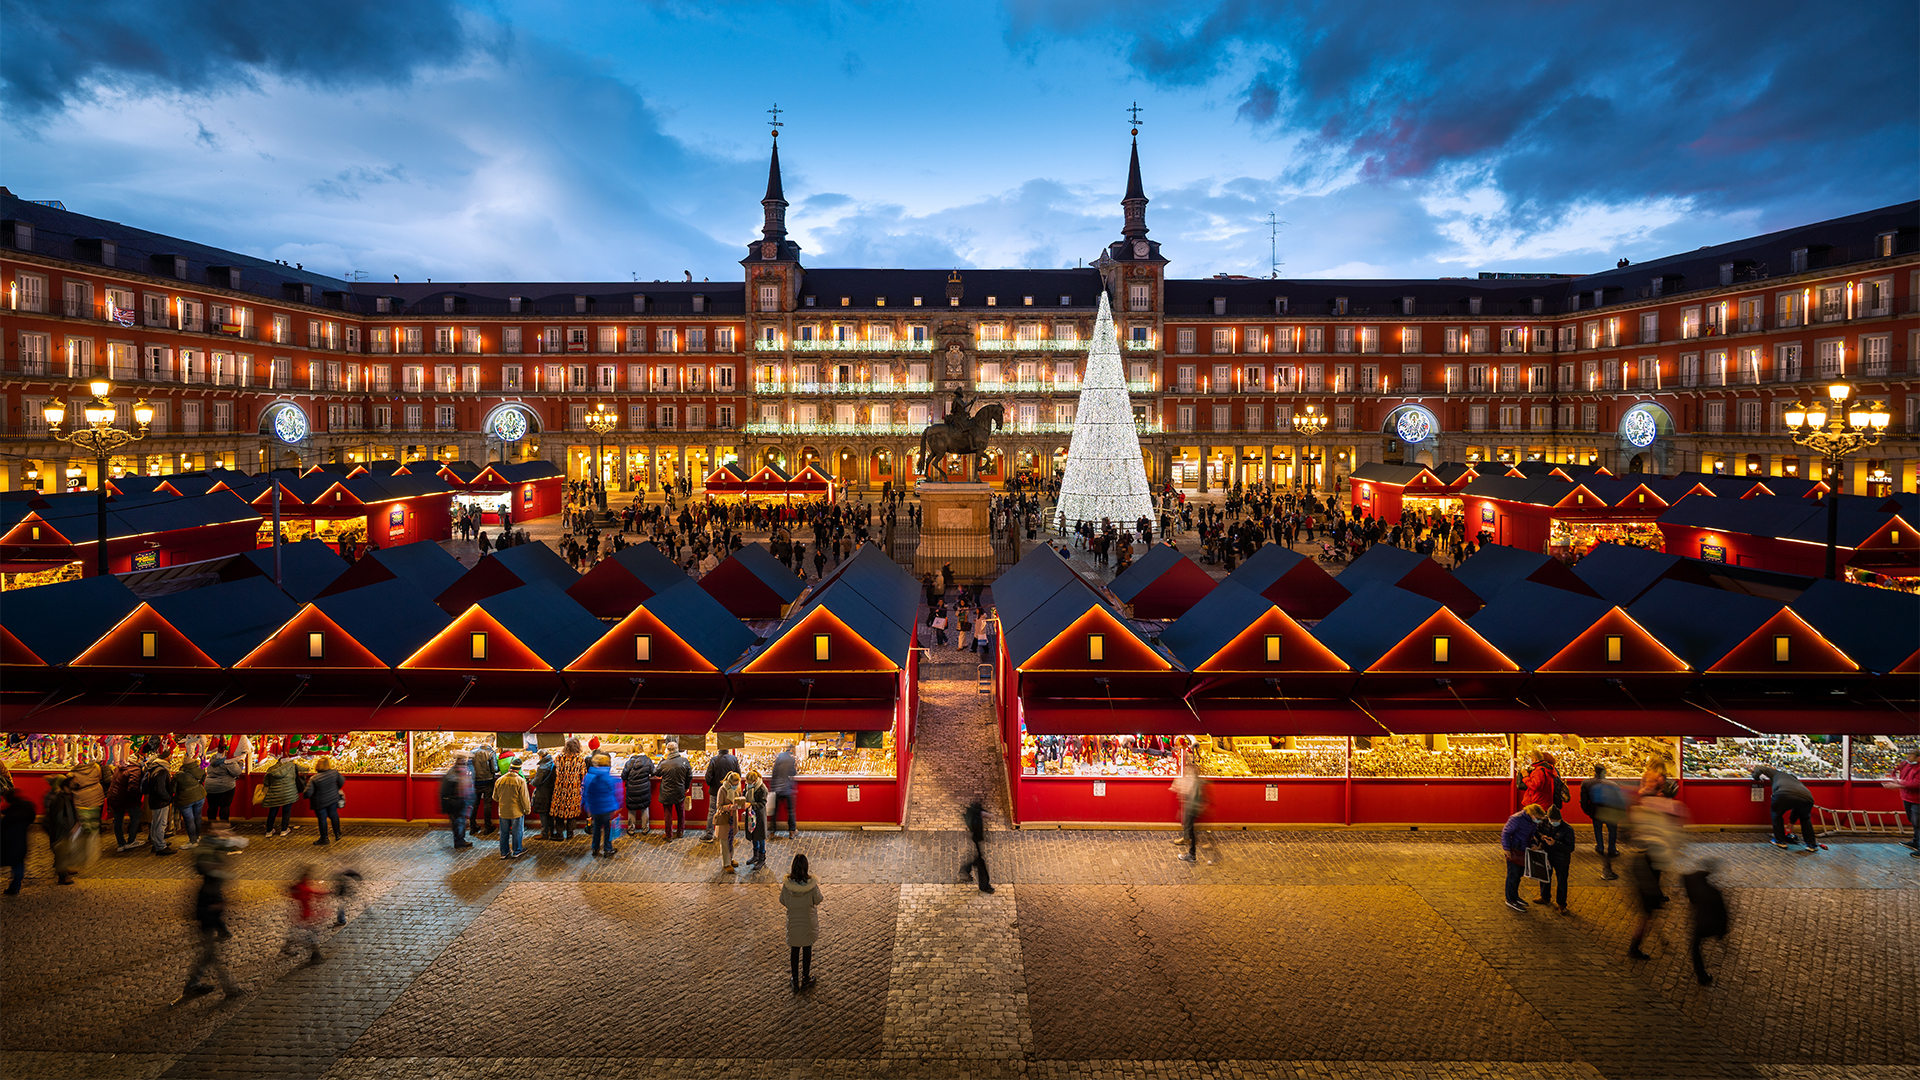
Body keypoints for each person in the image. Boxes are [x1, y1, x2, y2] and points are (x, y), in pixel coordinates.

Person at [181, 823, 241, 999]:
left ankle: (194, 985)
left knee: (209, 955)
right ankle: (229, 989)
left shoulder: (211, 875)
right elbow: (212, 900)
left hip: (208, 913)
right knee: (210, 954)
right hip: (207, 914)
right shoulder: (211, 879)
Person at [1681, 860, 1730, 986]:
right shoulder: (1713, 893)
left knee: (1695, 947)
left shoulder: (1691, 882)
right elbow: (1722, 913)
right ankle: (1702, 976)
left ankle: (1701, 974)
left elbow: (1686, 881)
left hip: (1700, 923)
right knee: (1695, 946)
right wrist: (1722, 931)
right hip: (1709, 924)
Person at [780, 853, 823, 992]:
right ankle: (806, 977)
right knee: (807, 948)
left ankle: (795, 978)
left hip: (793, 921)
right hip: (807, 922)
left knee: (794, 949)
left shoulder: (787, 886)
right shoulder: (811, 886)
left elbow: (782, 900)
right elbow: (818, 899)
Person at [1752, 765, 1818, 852]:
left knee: (1776, 813)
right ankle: (1811, 845)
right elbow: (1797, 804)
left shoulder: (1776, 773)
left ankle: (1780, 841)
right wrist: (1791, 822)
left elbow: (1758, 768)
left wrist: (1757, 778)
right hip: (1807, 797)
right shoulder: (1794, 780)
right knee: (1805, 818)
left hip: (1783, 793)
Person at [1580, 764, 1625, 877]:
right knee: (1612, 830)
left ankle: (1600, 847)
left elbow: (1584, 799)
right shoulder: (1613, 784)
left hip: (1595, 810)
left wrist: (1586, 811)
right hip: (1611, 811)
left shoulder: (1587, 783)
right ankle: (1612, 849)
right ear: (1604, 772)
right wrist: (1621, 812)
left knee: (1597, 829)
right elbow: (1619, 799)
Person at [1500, 803, 1546, 912]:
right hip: (1514, 851)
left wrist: (1534, 844)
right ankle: (1510, 899)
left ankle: (1514, 896)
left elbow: (1531, 835)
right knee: (1513, 875)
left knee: (1518, 875)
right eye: (1538, 818)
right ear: (1532, 814)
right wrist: (1506, 849)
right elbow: (1505, 833)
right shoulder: (1517, 819)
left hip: (1523, 851)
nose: (1538, 821)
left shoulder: (1531, 821)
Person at [1533, 806, 1576, 914]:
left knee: (1562, 881)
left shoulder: (1568, 829)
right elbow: (1536, 831)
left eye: (1556, 821)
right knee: (1544, 877)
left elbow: (1570, 848)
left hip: (1561, 859)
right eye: (1551, 820)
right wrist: (1542, 837)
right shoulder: (1544, 822)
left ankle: (1561, 904)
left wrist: (1555, 844)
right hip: (1546, 855)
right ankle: (1545, 897)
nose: (1553, 822)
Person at [1881, 745, 1920, 857]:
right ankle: (1916, 842)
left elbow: (1917, 784)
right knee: (1913, 820)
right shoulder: (1906, 764)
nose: (1908, 757)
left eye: (1910, 755)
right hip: (1907, 797)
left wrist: (1898, 784)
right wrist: (1895, 778)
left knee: (1918, 822)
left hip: (1917, 799)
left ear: (1918, 757)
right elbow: (1896, 771)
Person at [282, 867, 327, 964]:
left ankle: (287, 949)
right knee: (312, 936)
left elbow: (293, 891)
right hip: (305, 915)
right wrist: (325, 893)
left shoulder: (299, 887)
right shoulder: (304, 888)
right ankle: (315, 956)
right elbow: (314, 892)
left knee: (296, 933)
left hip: (301, 914)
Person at [43, 776, 81, 885]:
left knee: (64, 851)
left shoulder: (67, 796)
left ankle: (63, 869)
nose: (76, 784)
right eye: (73, 783)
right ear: (65, 786)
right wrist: (69, 828)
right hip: (61, 831)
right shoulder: (59, 799)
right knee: (61, 852)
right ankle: (62, 876)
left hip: (66, 829)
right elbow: (58, 818)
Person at [701, 743, 740, 843]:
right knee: (730, 811)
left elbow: (708, 777)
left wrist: (710, 784)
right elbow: (738, 774)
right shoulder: (733, 759)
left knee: (712, 811)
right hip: (730, 791)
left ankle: (709, 834)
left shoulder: (714, 760)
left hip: (715, 790)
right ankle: (729, 832)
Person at [583, 752, 620, 857]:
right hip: (607, 808)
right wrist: (617, 805)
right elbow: (614, 792)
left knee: (596, 827)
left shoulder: (589, 776)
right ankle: (607, 849)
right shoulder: (608, 777)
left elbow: (587, 792)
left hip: (595, 807)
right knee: (608, 828)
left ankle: (595, 848)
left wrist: (587, 805)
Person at [550, 739, 587, 841]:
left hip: (560, 789)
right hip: (573, 790)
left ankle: (559, 833)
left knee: (559, 812)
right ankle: (570, 833)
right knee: (572, 812)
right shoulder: (580, 760)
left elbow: (555, 772)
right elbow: (583, 775)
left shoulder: (558, 758)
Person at [1172, 758, 1208, 863]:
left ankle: (1192, 854)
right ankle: (1189, 844)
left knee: (1192, 830)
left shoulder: (1194, 780)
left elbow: (1195, 794)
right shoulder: (1196, 779)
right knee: (1191, 828)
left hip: (1192, 807)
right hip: (1193, 807)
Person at [493, 755, 530, 859]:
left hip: (503, 811)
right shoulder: (520, 781)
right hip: (516, 811)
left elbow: (495, 797)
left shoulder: (500, 780)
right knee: (517, 831)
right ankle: (517, 850)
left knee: (504, 832)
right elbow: (524, 798)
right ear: (519, 769)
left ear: (510, 768)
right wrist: (527, 810)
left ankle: (504, 852)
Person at [142, 749, 177, 855]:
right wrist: (168, 798)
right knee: (160, 824)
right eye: (170, 755)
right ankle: (160, 846)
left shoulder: (154, 769)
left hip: (155, 800)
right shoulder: (161, 771)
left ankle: (156, 842)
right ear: (166, 757)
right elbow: (160, 789)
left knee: (155, 823)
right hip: (160, 801)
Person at [107, 754, 145, 852]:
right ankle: (131, 840)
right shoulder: (135, 770)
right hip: (126, 797)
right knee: (136, 815)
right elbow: (132, 787)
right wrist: (136, 799)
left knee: (118, 820)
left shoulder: (119, 767)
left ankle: (121, 843)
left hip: (114, 796)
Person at [1, 789, 36, 894]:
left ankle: (14, 887)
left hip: (8, 843)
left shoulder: (9, 815)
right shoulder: (27, 807)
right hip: (21, 841)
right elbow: (32, 818)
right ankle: (15, 886)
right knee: (18, 863)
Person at [305, 755, 345, 845]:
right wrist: (335, 789)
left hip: (319, 802)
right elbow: (342, 781)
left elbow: (307, 793)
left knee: (322, 819)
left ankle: (324, 839)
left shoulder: (314, 778)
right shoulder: (334, 773)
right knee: (334, 816)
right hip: (333, 799)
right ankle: (337, 833)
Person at [439, 751, 475, 849]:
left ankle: (460, 840)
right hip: (456, 802)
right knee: (458, 822)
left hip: (462, 801)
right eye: (462, 759)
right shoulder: (453, 773)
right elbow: (445, 790)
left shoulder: (461, 771)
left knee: (460, 822)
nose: (464, 761)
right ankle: (459, 842)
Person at [656, 742, 691, 840]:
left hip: (666, 792)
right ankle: (680, 831)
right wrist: (686, 787)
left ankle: (669, 835)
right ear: (677, 749)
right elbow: (690, 775)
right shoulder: (684, 761)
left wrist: (662, 759)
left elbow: (656, 773)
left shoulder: (664, 763)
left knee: (668, 814)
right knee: (680, 811)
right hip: (679, 791)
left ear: (667, 750)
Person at [172, 754, 207, 848]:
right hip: (199, 795)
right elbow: (203, 779)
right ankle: (197, 836)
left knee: (189, 820)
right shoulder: (201, 768)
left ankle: (192, 841)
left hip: (185, 799)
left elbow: (173, 789)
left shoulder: (179, 774)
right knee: (197, 817)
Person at [262, 754, 301, 837]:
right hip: (288, 793)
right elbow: (302, 772)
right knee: (286, 811)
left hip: (274, 794)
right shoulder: (292, 767)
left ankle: (269, 831)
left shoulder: (271, 769)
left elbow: (266, 783)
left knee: (272, 812)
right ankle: (284, 829)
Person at [621, 747, 655, 838]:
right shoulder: (648, 760)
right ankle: (645, 828)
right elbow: (653, 772)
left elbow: (623, 776)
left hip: (632, 789)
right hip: (644, 789)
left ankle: (631, 829)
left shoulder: (629, 763)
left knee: (631, 809)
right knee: (644, 808)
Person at [714, 770, 744, 871]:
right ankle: (726, 863)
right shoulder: (722, 790)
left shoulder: (737, 788)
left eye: (737, 784)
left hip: (733, 818)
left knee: (731, 840)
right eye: (735, 784)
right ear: (729, 782)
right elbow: (719, 806)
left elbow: (739, 798)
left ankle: (730, 859)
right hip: (724, 820)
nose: (736, 786)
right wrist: (730, 807)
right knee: (724, 842)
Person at [202, 751, 243, 824]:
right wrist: (240, 763)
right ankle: (223, 826)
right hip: (225, 786)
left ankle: (212, 825)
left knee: (212, 806)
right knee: (224, 807)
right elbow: (237, 772)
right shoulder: (229, 760)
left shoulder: (213, 758)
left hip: (210, 786)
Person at [961, 798, 993, 892]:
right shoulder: (975, 816)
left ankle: (967, 868)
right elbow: (980, 813)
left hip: (977, 839)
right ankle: (984, 886)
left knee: (979, 860)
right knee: (981, 863)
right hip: (977, 840)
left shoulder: (974, 811)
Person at [469, 742, 499, 837]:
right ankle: (487, 826)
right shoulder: (491, 753)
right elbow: (494, 769)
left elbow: (469, 766)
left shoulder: (472, 751)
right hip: (487, 781)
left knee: (474, 804)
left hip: (475, 781)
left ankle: (472, 826)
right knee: (487, 803)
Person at [770, 743, 799, 839]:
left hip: (778, 788)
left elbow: (774, 772)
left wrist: (773, 787)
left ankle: (772, 831)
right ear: (791, 751)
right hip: (786, 788)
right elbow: (792, 773)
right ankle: (792, 831)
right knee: (790, 811)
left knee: (775, 811)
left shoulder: (779, 758)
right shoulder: (791, 759)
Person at [742, 769, 769, 871]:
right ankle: (755, 855)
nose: (748, 784)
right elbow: (744, 794)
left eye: (750, 783)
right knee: (753, 834)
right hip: (750, 814)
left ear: (755, 780)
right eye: (747, 783)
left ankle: (762, 857)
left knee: (760, 836)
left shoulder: (762, 789)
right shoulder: (748, 786)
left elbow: (762, 803)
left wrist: (751, 805)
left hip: (759, 815)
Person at [1519, 749, 1563, 814]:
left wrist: (1525, 777)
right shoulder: (1548, 769)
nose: (1529, 760)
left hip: (1537, 802)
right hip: (1544, 802)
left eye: (1531, 758)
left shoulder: (1539, 771)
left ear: (1535, 759)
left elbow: (1535, 786)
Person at [530, 750, 556, 840]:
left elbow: (536, 782)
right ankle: (551, 830)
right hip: (551, 791)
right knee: (550, 812)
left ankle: (544, 833)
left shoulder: (542, 768)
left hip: (543, 792)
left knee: (543, 813)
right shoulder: (552, 764)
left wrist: (531, 780)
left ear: (541, 757)